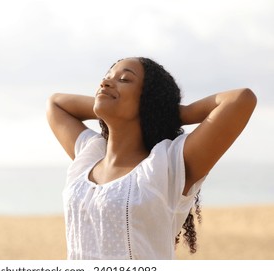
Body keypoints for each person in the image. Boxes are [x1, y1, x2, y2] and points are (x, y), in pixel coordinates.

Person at [46, 57, 257, 260]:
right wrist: (107, 99)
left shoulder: (167, 164)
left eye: (124, 79)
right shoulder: (90, 155)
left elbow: (241, 99)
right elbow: (55, 103)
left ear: (148, 100)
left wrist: (169, 111)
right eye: (107, 77)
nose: (105, 82)